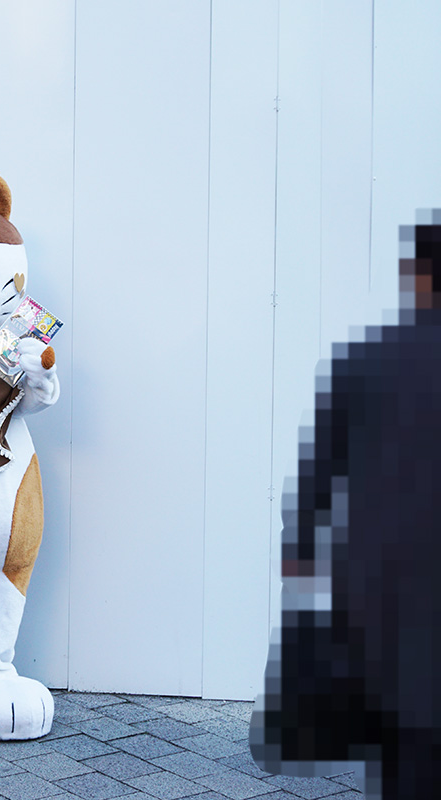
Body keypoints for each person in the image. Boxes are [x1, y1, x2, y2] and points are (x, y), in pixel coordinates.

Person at [251, 212, 441, 798]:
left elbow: (319, 468)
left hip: (379, 565)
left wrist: (301, 547)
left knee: (403, 720)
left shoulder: (364, 360)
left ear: (419, 277)